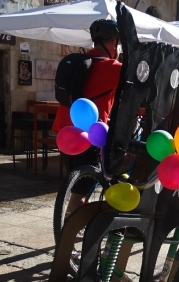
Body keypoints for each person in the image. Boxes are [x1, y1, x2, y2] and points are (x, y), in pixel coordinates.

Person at [52, 20, 122, 217]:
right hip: (88, 135)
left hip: (65, 133)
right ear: (113, 42)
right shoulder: (114, 68)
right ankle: (67, 241)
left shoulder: (79, 62)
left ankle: (77, 227)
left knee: (78, 186)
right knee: (80, 194)